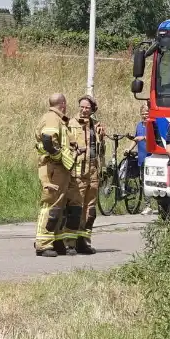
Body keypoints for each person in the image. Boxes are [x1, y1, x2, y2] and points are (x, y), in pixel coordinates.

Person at [33, 93, 75, 257]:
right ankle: (43, 244)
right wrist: (61, 158)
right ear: (63, 104)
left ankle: (56, 241)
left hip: (59, 169)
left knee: (58, 206)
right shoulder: (52, 118)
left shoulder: (58, 119)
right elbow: (48, 141)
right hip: (53, 167)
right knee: (50, 205)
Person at [65, 95, 105, 255]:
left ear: (92, 109)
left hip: (93, 171)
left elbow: (101, 151)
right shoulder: (71, 124)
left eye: (87, 107)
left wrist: (102, 137)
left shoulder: (96, 125)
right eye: (82, 106)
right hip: (78, 171)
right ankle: (70, 243)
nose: (84, 110)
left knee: (90, 209)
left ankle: (84, 241)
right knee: (75, 207)